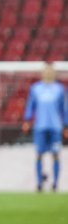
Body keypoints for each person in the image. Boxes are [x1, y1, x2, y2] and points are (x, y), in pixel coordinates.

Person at [22, 63, 68, 192]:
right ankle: (39, 183)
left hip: (55, 127)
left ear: (54, 74)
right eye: (46, 71)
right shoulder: (36, 88)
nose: (48, 73)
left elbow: (64, 109)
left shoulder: (60, 89)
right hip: (40, 127)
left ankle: (55, 184)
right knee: (39, 154)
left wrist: (66, 125)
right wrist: (27, 120)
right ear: (43, 73)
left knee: (56, 154)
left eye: (51, 71)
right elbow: (31, 105)